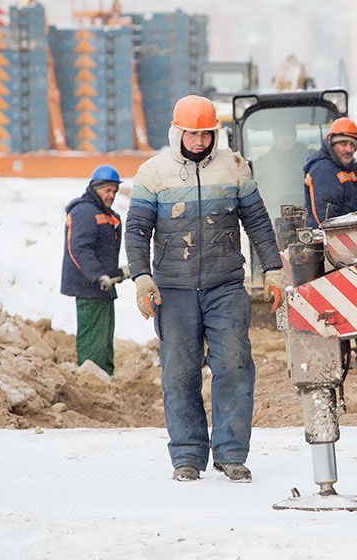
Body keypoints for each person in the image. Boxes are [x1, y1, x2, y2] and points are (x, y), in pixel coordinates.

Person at [125, 95, 284, 483]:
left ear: (216, 133)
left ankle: (231, 454)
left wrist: (274, 269)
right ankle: (187, 455)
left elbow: (258, 223)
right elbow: (137, 231)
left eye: (206, 134)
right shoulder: (153, 173)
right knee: (179, 374)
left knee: (234, 367)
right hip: (173, 290)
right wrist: (142, 278)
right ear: (177, 132)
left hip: (225, 286)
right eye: (192, 134)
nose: (199, 141)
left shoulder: (234, 168)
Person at [303, 117, 357, 370]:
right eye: (343, 144)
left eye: (352, 145)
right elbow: (328, 215)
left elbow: (351, 202)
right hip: (333, 246)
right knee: (341, 301)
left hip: (350, 242)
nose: (348, 149)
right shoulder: (323, 169)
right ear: (331, 143)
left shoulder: (346, 168)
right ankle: (346, 359)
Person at [61, 164, 128, 376]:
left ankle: (105, 376)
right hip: (89, 287)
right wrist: (98, 276)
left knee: (105, 336)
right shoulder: (85, 212)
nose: (112, 195)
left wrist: (116, 273)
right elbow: (79, 248)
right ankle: (92, 378)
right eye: (107, 190)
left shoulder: (106, 214)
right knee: (93, 337)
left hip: (103, 287)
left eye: (115, 191)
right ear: (96, 188)